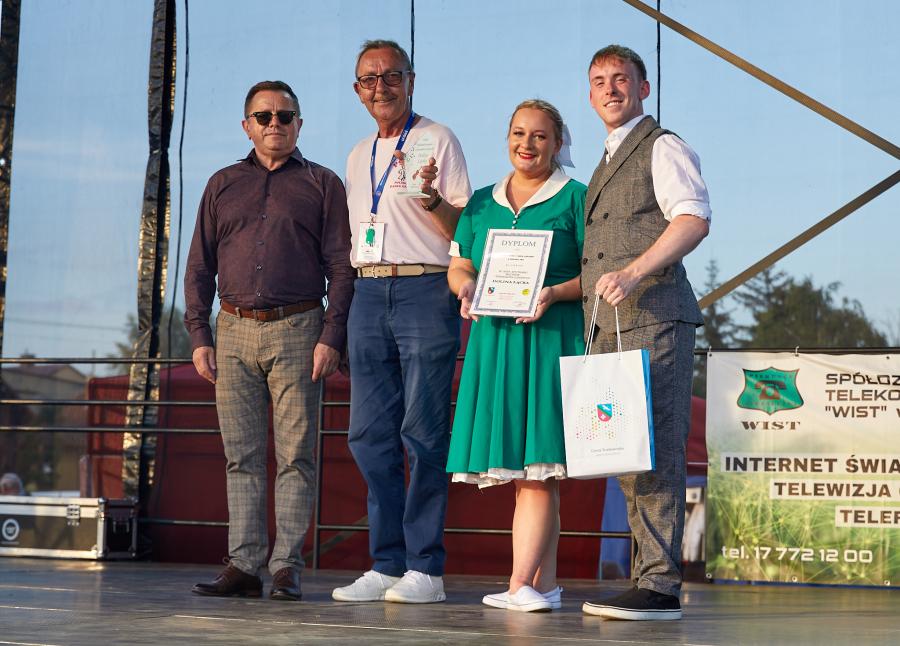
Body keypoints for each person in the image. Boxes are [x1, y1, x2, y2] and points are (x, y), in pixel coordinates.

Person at [184, 80, 354, 601]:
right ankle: (243, 566)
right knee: (242, 456)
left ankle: (285, 568)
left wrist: (332, 335)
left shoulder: (323, 184)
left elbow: (341, 266)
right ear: (247, 126)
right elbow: (199, 264)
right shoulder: (221, 184)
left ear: (299, 124)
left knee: (297, 456)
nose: (274, 124)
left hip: (300, 329)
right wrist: (199, 333)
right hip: (232, 330)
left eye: (284, 116)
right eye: (264, 116)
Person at [332, 39, 471, 605]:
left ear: (410, 81)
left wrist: (432, 199)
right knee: (368, 435)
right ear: (357, 90)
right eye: (369, 79)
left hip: (424, 287)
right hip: (367, 288)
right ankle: (387, 563)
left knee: (424, 432)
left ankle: (426, 569)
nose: (381, 87)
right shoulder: (357, 153)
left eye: (392, 75)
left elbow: (463, 229)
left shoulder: (438, 138)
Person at [579, 45, 711, 621]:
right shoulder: (606, 158)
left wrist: (634, 272)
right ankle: (646, 580)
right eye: (599, 81)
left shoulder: (661, 146)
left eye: (621, 79)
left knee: (655, 448)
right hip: (612, 327)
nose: (610, 89)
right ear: (590, 95)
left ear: (643, 88)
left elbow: (694, 218)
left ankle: (659, 585)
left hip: (655, 318)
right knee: (628, 452)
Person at [446, 99, 586, 612]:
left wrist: (554, 292)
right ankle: (543, 586)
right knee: (533, 472)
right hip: (496, 342)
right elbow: (459, 264)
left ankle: (518, 585)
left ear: (558, 143)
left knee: (537, 471)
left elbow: (595, 272)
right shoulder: (482, 202)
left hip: (550, 340)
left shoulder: (577, 197)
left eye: (540, 136)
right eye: (519, 134)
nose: (527, 144)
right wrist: (464, 288)